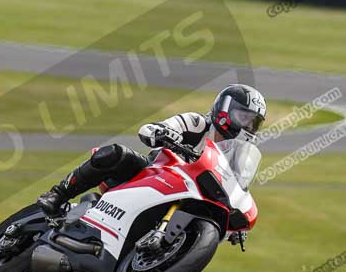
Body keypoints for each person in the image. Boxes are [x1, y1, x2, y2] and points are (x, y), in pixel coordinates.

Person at [37, 83, 267, 216]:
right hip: (153, 174)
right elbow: (155, 128)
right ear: (225, 109)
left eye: (253, 122)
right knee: (115, 153)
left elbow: (236, 187)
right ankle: (58, 194)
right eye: (243, 117)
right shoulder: (198, 123)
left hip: (190, 195)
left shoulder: (237, 154)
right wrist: (162, 132)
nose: (247, 126)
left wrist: (236, 218)